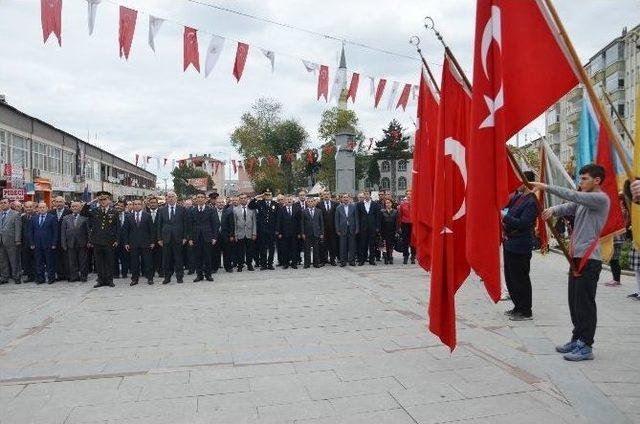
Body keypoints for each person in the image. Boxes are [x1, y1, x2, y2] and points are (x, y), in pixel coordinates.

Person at [533, 164, 610, 361]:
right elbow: (570, 206)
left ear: (597, 180)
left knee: (585, 303)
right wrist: (553, 210)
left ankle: (586, 345)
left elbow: (574, 197)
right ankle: (577, 338)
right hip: (576, 256)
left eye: (584, 179)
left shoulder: (599, 199)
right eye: (580, 178)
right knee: (574, 301)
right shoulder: (585, 200)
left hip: (589, 259)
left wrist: (546, 187)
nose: (580, 182)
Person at [502, 171, 539, 321]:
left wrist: (505, 216)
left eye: (520, 181)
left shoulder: (531, 202)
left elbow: (523, 223)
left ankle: (525, 310)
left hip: (521, 244)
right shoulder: (518, 197)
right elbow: (505, 203)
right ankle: (517, 306)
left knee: (521, 278)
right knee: (510, 278)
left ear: (527, 183)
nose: (518, 184)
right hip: (509, 242)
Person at [85, 192, 118, 288]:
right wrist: (92, 201)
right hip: (97, 241)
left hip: (109, 241)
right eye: (101, 200)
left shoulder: (114, 211)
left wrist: (117, 239)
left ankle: (109, 280)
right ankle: (100, 280)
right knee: (99, 262)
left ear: (109, 200)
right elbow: (83, 213)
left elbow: (117, 227)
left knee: (109, 261)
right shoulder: (94, 210)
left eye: (105, 199)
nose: (103, 201)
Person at [157, 191, 187, 284]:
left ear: (176, 198)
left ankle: (179, 277)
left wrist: (185, 237)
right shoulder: (162, 210)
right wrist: (159, 238)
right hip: (166, 238)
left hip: (178, 238)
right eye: (169, 197)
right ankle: (167, 277)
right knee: (166, 259)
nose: (170, 198)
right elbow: (159, 225)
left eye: (172, 196)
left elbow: (185, 224)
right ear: (166, 199)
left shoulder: (182, 209)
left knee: (178, 258)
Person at [189, 193, 218, 282]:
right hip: (196, 237)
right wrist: (190, 238)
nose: (200, 199)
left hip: (208, 237)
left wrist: (214, 237)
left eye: (202, 197)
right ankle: (199, 275)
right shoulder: (192, 211)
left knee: (208, 257)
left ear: (205, 199)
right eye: (198, 197)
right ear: (196, 199)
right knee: (197, 257)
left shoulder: (211, 210)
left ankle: (208, 275)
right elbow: (189, 225)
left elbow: (215, 224)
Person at [125, 199, 155, 286]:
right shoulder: (129, 216)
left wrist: (152, 242)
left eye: (139, 204)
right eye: (135, 204)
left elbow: (152, 230)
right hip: (133, 243)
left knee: (148, 262)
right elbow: (126, 231)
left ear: (142, 206)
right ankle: (134, 279)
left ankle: (150, 278)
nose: (137, 205)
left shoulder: (147, 216)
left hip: (146, 243)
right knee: (134, 262)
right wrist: (126, 243)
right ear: (133, 206)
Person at [60, 201, 90, 282]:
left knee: (83, 261)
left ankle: (83, 276)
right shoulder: (66, 218)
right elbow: (63, 232)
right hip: (70, 243)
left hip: (82, 243)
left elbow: (88, 232)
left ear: (80, 208)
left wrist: (89, 242)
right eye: (73, 206)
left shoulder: (85, 219)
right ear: (70, 208)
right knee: (72, 261)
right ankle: (74, 276)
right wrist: (63, 243)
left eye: (77, 206)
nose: (75, 208)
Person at [249, 191, 278, 270]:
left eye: (269, 194)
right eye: (266, 194)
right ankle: (263, 264)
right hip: (262, 230)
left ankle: (270, 264)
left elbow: (277, 218)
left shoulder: (275, 204)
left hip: (272, 230)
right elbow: (250, 205)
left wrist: (277, 229)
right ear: (264, 196)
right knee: (263, 248)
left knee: (272, 248)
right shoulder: (259, 203)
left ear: (272, 196)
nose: (268, 196)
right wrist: (257, 196)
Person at [30, 202, 57, 285]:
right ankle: (40, 278)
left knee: (49, 262)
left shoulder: (52, 218)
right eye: (40, 207)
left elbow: (55, 232)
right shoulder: (34, 218)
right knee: (39, 262)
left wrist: (54, 243)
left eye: (43, 207)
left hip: (49, 244)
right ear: (37, 209)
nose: (41, 209)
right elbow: (31, 232)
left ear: (47, 208)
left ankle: (51, 278)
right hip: (37, 244)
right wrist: (32, 243)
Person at [605, 193, 629, 287]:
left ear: (622, 201)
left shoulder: (622, 211)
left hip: (617, 238)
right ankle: (615, 279)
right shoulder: (621, 210)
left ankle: (616, 280)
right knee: (613, 258)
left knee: (614, 259)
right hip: (615, 237)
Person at [49, 196, 71, 281]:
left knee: (67, 258)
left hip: (66, 239)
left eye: (60, 202)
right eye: (56, 202)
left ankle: (68, 275)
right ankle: (60, 275)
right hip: (55, 240)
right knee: (57, 258)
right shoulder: (51, 212)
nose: (58, 204)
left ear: (64, 203)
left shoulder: (69, 212)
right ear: (54, 203)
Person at [0, 198, 22, 284]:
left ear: (9, 204)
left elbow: (18, 228)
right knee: (2, 260)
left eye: (4, 203)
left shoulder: (15, 214)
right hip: (1, 241)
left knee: (14, 260)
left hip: (12, 241)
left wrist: (17, 240)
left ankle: (16, 276)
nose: (2, 204)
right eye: (1, 203)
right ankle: (4, 277)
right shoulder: (0, 213)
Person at [233, 194, 257, 272]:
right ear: (239, 200)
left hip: (250, 233)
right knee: (240, 251)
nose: (243, 199)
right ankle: (240, 265)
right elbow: (235, 223)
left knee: (250, 250)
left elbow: (254, 222)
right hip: (240, 234)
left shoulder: (252, 209)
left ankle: (249, 264)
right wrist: (235, 234)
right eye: (241, 198)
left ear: (247, 199)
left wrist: (254, 233)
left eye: (244, 198)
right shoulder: (235, 209)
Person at [356, 190, 380, 266]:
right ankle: (362, 260)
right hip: (362, 228)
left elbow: (377, 216)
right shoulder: (359, 204)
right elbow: (357, 217)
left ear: (370, 195)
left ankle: (372, 260)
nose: (366, 196)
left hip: (372, 227)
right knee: (362, 245)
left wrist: (377, 227)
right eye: (365, 194)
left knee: (372, 245)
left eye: (367, 194)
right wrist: (358, 227)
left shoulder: (375, 204)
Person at [276, 196, 301, 269]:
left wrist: (299, 232)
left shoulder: (297, 209)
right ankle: (285, 264)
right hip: (284, 233)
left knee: (294, 248)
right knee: (285, 249)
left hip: (295, 233)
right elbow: (279, 221)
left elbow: (299, 222)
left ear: (292, 201)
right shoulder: (281, 210)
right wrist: (279, 232)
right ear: (285, 201)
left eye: (290, 199)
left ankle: (294, 263)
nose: (289, 201)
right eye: (287, 200)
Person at [335, 193, 358, 267]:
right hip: (342, 229)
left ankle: (352, 261)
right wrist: (337, 229)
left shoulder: (353, 207)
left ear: (349, 198)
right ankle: (343, 261)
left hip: (351, 229)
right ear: (341, 199)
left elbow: (356, 218)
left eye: (347, 197)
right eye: (344, 197)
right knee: (342, 246)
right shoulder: (338, 208)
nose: (345, 198)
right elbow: (336, 220)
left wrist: (357, 228)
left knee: (352, 246)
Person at [301, 197, 324, 268]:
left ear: (314, 202)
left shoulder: (319, 211)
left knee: (316, 249)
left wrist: (322, 233)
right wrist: (303, 233)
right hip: (307, 233)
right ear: (307, 203)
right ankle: (307, 263)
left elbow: (321, 223)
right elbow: (302, 223)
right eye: (309, 202)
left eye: (312, 201)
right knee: (307, 249)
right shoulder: (304, 211)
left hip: (316, 233)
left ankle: (316, 263)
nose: (310, 203)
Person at [212, 197, 233, 273]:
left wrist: (231, 235)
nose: (220, 204)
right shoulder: (212, 211)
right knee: (215, 252)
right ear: (216, 203)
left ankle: (228, 267)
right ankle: (215, 267)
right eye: (218, 202)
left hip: (226, 235)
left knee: (227, 252)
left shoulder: (228, 212)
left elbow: (231, 225)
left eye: (221, 202)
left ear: (224, 204)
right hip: (215, 236)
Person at [318, 191, 338, 266]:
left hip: (333, 229)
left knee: (333, 245)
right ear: (322, 196)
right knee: (323, 245)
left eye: (327, 194)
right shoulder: (319, 204)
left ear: (330, 195)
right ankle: (323, 260)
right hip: (323, 229)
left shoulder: (335, 204)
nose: (326, 196)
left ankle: (332, 260)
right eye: (325, 195)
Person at [397, 193, 416, 264]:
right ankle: (405, 256)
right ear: (406, 196)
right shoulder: (402, 205)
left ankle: (413, 256)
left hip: (413, 224)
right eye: (408, 194)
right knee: (405, 241)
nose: (409, 195)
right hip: (405, 224)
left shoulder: (415, 203)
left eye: (410, 194)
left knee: (413, 240)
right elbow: (400, 216)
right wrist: (399, 227)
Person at [147, 196, 163, 279]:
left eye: (154, 203)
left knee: (160, 256)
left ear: (157, 204)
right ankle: (150, 273)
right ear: (149, 204)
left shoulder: (162, 212)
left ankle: (161, 271)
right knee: (149, 257)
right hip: (148, 239)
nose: (153, 204)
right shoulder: (145, 213)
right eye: (151, 203)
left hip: (159, 239)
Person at [113, 200, 130, 279]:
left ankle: (124, 273)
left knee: (125, 258)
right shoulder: (112, 215)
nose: (119, 207)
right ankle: (116, 274)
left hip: (125, 241)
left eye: (121, 206)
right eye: (118, 206)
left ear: (125, 207)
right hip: (115, 241)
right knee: (114, 258)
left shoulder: (129, 215)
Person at [21, 201, 36, 283]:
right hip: (25, 243)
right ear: (24, 208)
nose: (29, 209)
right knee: (26, 260)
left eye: (30, 207)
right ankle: (29, 276)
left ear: (33, 208)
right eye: (27, 207)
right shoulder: (22, 218)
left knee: (35, 260)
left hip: (35, 242)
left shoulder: (37, 217)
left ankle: (36, 275)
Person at [379, 199, 398, 264]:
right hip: (384, 231)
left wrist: (397, 231)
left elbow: (396, 222)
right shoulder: (382, 211)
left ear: (391, 204)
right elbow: (380, 222)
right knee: (385, 245)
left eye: (389, 203)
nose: (388, 204)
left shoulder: (395, 211)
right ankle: (386, 257)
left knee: (391, 245)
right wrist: (379, 231)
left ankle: (390, 257)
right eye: (386, 203)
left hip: (392, 231)